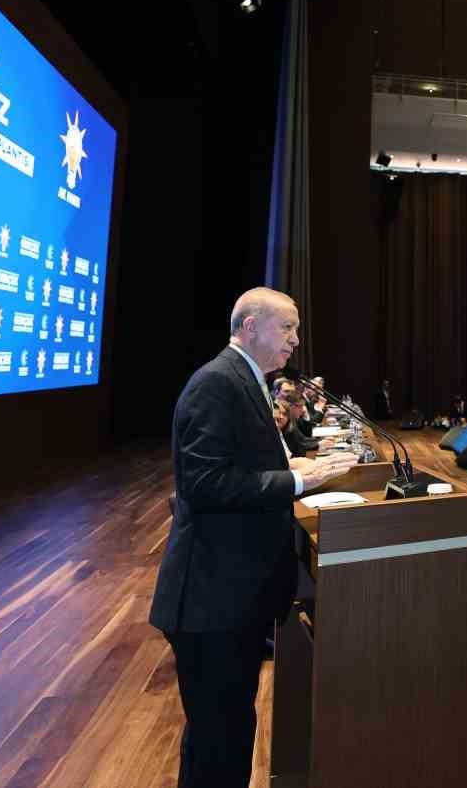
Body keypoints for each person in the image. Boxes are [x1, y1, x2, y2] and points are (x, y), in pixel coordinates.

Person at [149, 287, 359, 788]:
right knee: (218, 743)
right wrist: (299, 481)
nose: (296, 339)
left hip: (231, 595)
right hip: (209, 597)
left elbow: (237, 464)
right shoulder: (217, 383)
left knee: (229, 733)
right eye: (287, 327)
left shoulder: (247, 380)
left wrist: (296, 463)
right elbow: (203, 485)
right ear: (249, 327)